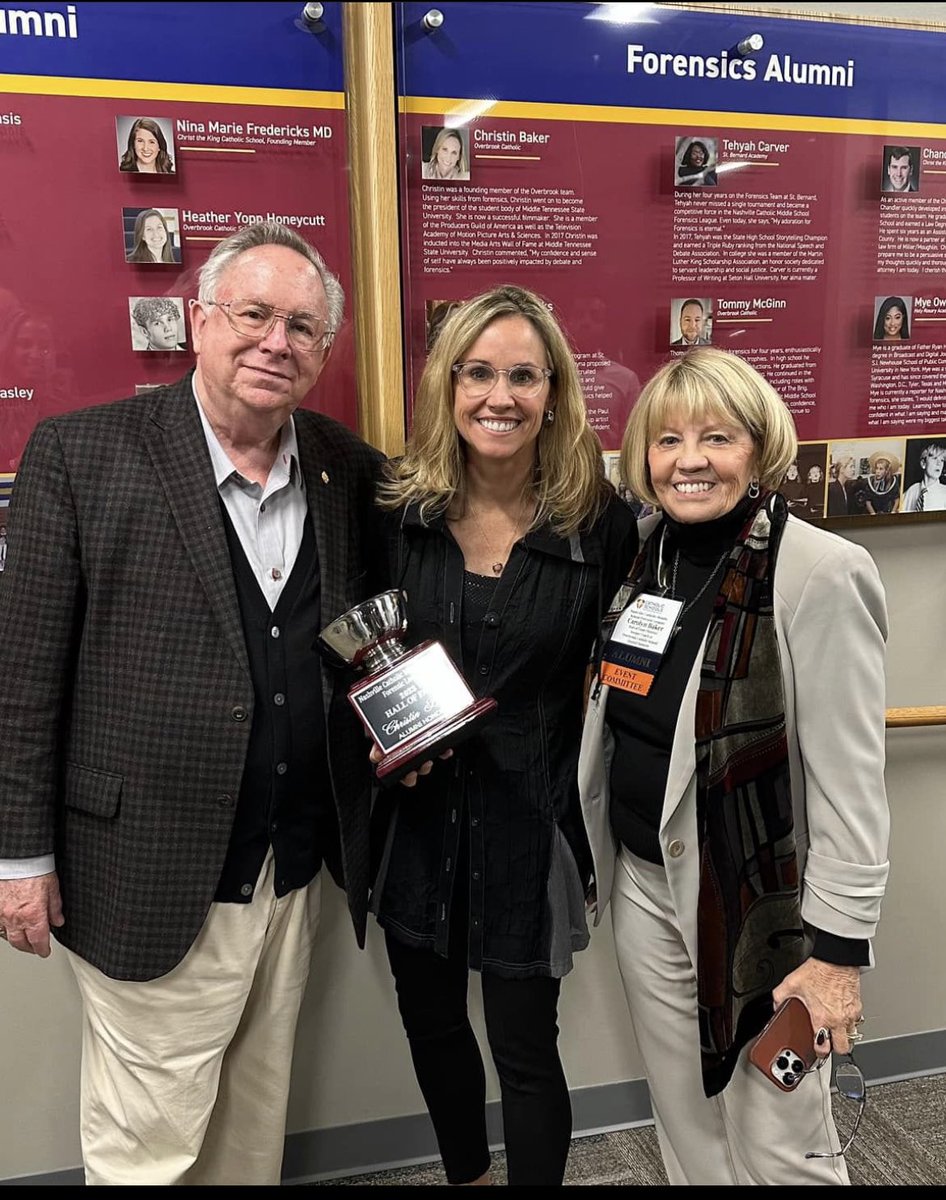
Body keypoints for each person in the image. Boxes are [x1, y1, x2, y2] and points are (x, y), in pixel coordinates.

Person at [0, 221, 385, 1185]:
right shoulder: (83, 456)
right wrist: (18, 857)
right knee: (147, 1147)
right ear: (199, 321)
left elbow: (370, 636)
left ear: (324, 352)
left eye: (301, 326)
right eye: (253, 314)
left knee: (254, 1123)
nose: (275, 342)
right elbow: (22, 674)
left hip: (287, 871)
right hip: (144, 868)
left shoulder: (345, 470)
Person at [578, 347, 890, 1185]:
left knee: (782, 1137)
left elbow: (851, 786)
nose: (689, 461)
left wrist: (835, 957)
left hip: (763, 916)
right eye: (668, 439)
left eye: (716, 437)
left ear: (758, 447)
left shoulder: (817, 572)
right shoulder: (645, 556)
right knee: (684, 1121)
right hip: (650, 887)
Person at [371, 284, 638, 1186]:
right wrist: (376, 746)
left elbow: (628, 669)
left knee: (527, 1047)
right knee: (433, 1023)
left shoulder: (597, 521)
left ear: (554, 392)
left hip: (532, 820)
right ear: (447, 387)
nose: (500, 396)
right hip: (420, 824)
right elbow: (358, 657)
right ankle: (465, 1176)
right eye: (478, 373)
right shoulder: (398, 515)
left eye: (524, 375)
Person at [852, 450, 901, 515]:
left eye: (881, 469)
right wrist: (873, 514)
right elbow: (868, 501)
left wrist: (893, 512)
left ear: (886, 471)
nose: (877, 471)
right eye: (876, 468)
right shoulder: (870, 482)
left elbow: (896, 499)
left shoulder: (893, 481)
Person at [901, 442, 946, 512]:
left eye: (942, 460)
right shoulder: (912, 491)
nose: (939, 464)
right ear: (923, 463)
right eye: (934, 458)